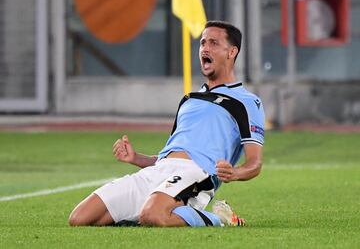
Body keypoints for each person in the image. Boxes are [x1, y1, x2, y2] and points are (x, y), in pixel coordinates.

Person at [68, 20, 265, 227]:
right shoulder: (189, 99)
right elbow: (169, 156)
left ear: (232, 52)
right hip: (159, 172)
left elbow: (255, 164)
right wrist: (136, 158)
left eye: (214, 43)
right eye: (202, 43)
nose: (205, 48)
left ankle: (222, 220)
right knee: (80, 218)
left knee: (153, 215)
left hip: (197, 174)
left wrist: (234, 173)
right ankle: (161, 212)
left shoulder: (246, 102)